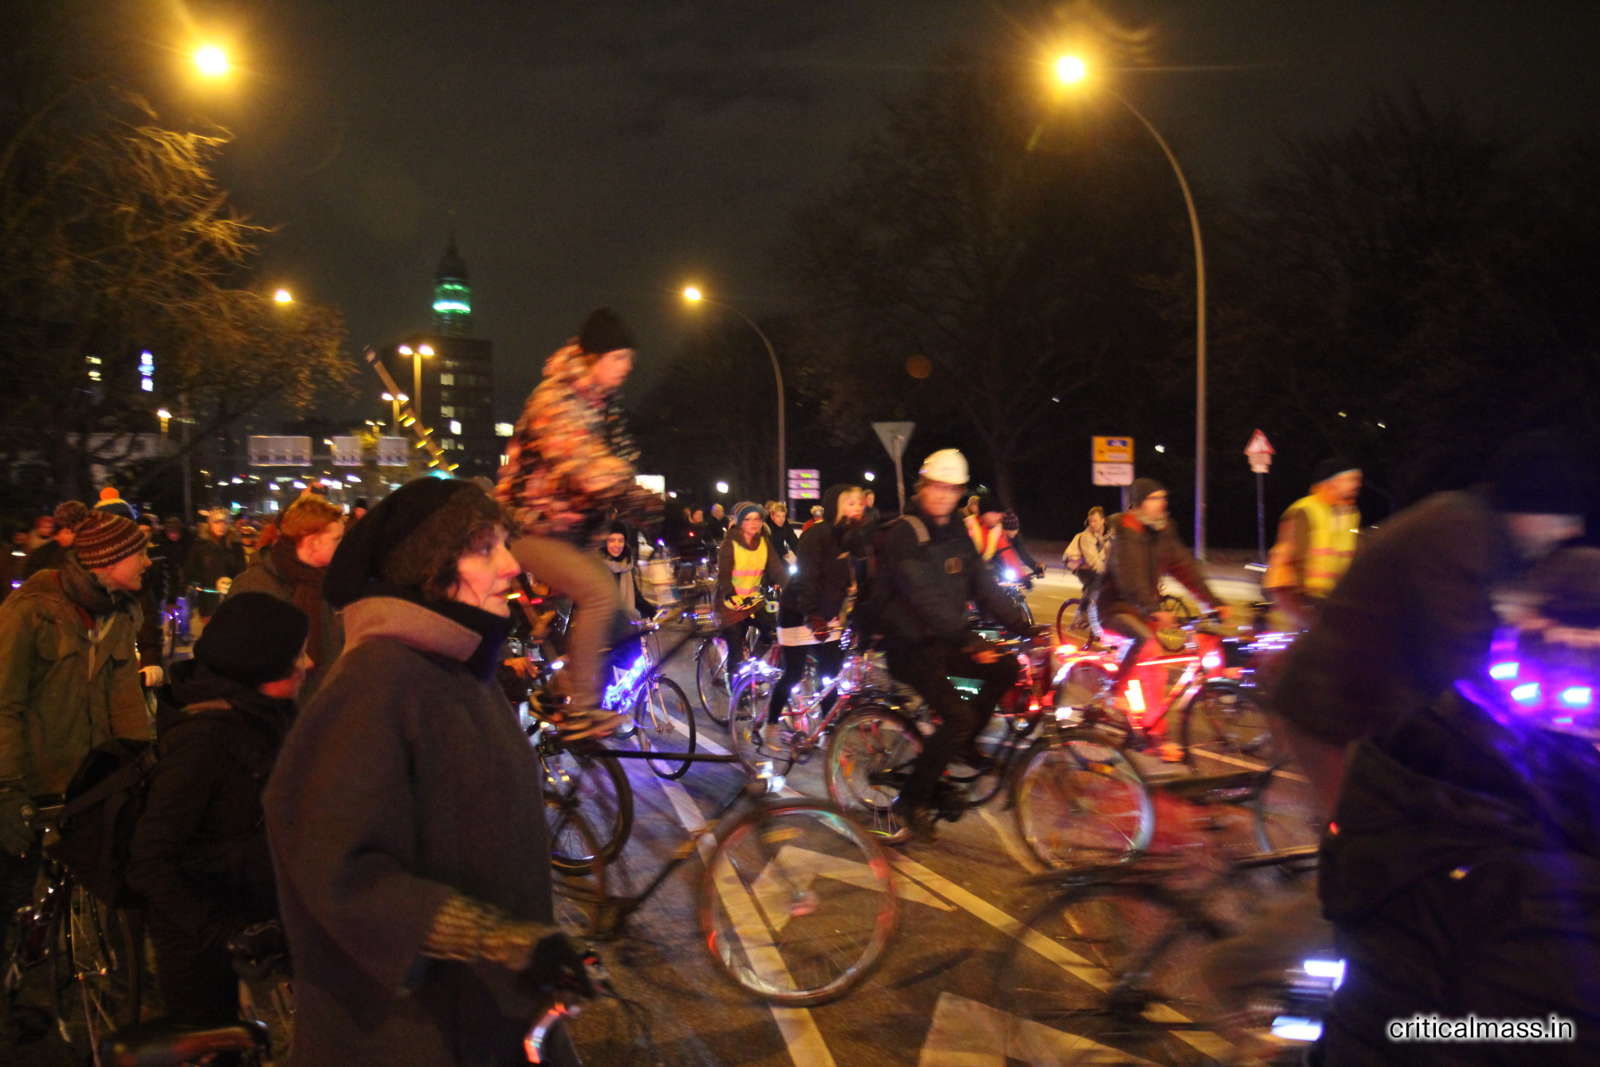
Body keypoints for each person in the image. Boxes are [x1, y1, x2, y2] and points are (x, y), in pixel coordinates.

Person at [264, 478, 586, 1067]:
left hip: (488, 1019)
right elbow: (336, 869)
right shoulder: (375, 685)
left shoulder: (456, 671)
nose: (511, 566)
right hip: (415, 1037)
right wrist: (493, 938)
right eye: (484, 549)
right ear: (429, 571)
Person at [1270, 431, 1587, 823]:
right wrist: (1516, 729)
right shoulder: (1455, 531)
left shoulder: (1485, 533)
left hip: (1381, 714)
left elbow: (1492, 626)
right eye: (1560, 520)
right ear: (1527, 509)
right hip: (1332, 709)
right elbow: (1459, 650)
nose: (1566, 533)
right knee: (1363, 836)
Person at [127, 593, 310, 1023]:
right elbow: (149, 860)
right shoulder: (204, 741)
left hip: (254, 920)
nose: (309, 663)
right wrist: (223, 933)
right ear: (262, 664)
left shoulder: (268, 716)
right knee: (217, 1042)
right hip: (201, 946)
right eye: (298, 654)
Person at [496, 308, 660, 741]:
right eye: (619, 357)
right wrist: (646, 503)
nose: (627, 367)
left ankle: (556, 695)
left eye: (629, 359)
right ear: (592, 356)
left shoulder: (600, 406)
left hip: (570, 534)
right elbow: (584, 467)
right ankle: (582, 712)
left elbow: (615, 463)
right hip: (531, 528)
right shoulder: (556, 398)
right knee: (599, 595)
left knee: (618, 625)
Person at [0, 512, 152, 961]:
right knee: (13, 896)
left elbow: (126, 701)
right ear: (107, 562)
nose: (147, 562)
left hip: (89, 781)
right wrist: (7, 788)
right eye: (139, 554)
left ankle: (110, 973)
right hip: (32, 779)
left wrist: (142, 767)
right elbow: (4, 704)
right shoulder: (31, 612)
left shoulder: (120, 612)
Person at [868, 449, 1033, 841]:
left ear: (960, 493)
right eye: (937, 487)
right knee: (957, 716)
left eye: (952, 489)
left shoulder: (957, 531)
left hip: (944, 640)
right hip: (909, 645)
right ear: (923, 487)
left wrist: (1023, 625)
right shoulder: (905, 533)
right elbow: (925, 598)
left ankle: (962, 745)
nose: (943, 495)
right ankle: (909, 804)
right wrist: (970, 641)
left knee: (1007, 668)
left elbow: (982, 584)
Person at [1096, 477, 1226, 761]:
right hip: (1115, 608)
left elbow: (1184, 567)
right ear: (1139, 504)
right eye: (1154, 498)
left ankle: (1150, 729)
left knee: (1160, 665)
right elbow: (1129, 580)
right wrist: (1152, 609)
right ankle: (1115, 693)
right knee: (1147, 645)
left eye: (1163, 497)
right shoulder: (1126, 532)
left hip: (1144, 609)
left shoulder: (1162, 531)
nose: (1162, 504)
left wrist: (1212, 601)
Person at [764, 485, 863, 751]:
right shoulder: (817, 535)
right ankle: (771, 724)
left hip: (828, 614)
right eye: (850, 502)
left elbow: (858, 578)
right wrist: (813, 615)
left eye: (859, 502)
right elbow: (805, 578)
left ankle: (828, 733)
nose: (857, 507)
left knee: (829, 677)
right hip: (799, 612)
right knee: (793, 674)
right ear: (835, 505)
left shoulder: (851, 537)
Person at [228, 494, 346, 700]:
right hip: (274, 708)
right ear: (312, 542)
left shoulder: (326, 581)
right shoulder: (255, 586)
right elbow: (237, 658)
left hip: (322, 701)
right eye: (336, 539)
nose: (342, 546)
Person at [1263, 458, 1362, 630]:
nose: (1357, 484)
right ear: (1331, 482)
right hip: (1298, 598)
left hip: (1330, 600)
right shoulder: (1306, 510)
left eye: (1358, 479)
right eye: (1351, 479)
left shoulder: (1351, 515)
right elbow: (1291, 559)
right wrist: (1300, 607)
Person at [714, 502, 789, 674]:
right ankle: (735, 683)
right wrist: (730, 593)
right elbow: (724, 575)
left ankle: (750, 669)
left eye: (757, 519)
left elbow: (777, 570)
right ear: (740, 522)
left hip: (753, 600)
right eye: (748, 519)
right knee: (736, 649)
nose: (754, 523)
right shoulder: (730, 543)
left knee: (771, 634)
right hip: (729, 604)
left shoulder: (764, 542)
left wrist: (793, 589)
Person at [184, 508, 247, 639]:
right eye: (217, 522)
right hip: (208, 598)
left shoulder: (235, 546)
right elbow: (192, 569)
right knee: (212, 633)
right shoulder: (200, 546)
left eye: (225, 522)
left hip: (231, 598)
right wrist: (195, 585)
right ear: (210, 524)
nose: (221, 526)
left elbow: (242, 569)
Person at [964, 493, 1044, 582]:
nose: (998, 518)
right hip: (967, 572)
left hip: (986, 569)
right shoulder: (969, 525)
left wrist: (1022, 576)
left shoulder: (996, 530)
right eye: (995, 514)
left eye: (999, 515)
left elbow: (1008, 553)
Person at [1063, 506, 1110, 636]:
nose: (1092, 524)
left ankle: (1082, 614)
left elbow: (1109, 555)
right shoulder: (1086, 537)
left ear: (1103, 521)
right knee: (1098, 579)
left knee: (1102, 583)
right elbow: (1093, 561)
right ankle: (1085, 612)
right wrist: (1107, 572)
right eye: (1090, 521)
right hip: (1080, 567)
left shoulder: (1103, 536)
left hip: (1091, 567)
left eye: (1095, 520)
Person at [598, 521, 652, 622]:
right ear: (605, 543)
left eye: (620, 541)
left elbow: (635, 595)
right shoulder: (596, 566)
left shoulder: (627, 564)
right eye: (612, 540)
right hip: (601, 622)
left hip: (623, 620)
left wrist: (650, 610)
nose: (617, 545)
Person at [21, 501, 89, 578]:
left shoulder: (82, 550)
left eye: (73, 532)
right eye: (67, 533)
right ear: (57, 536)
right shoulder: (44, 552)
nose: (72, 536)